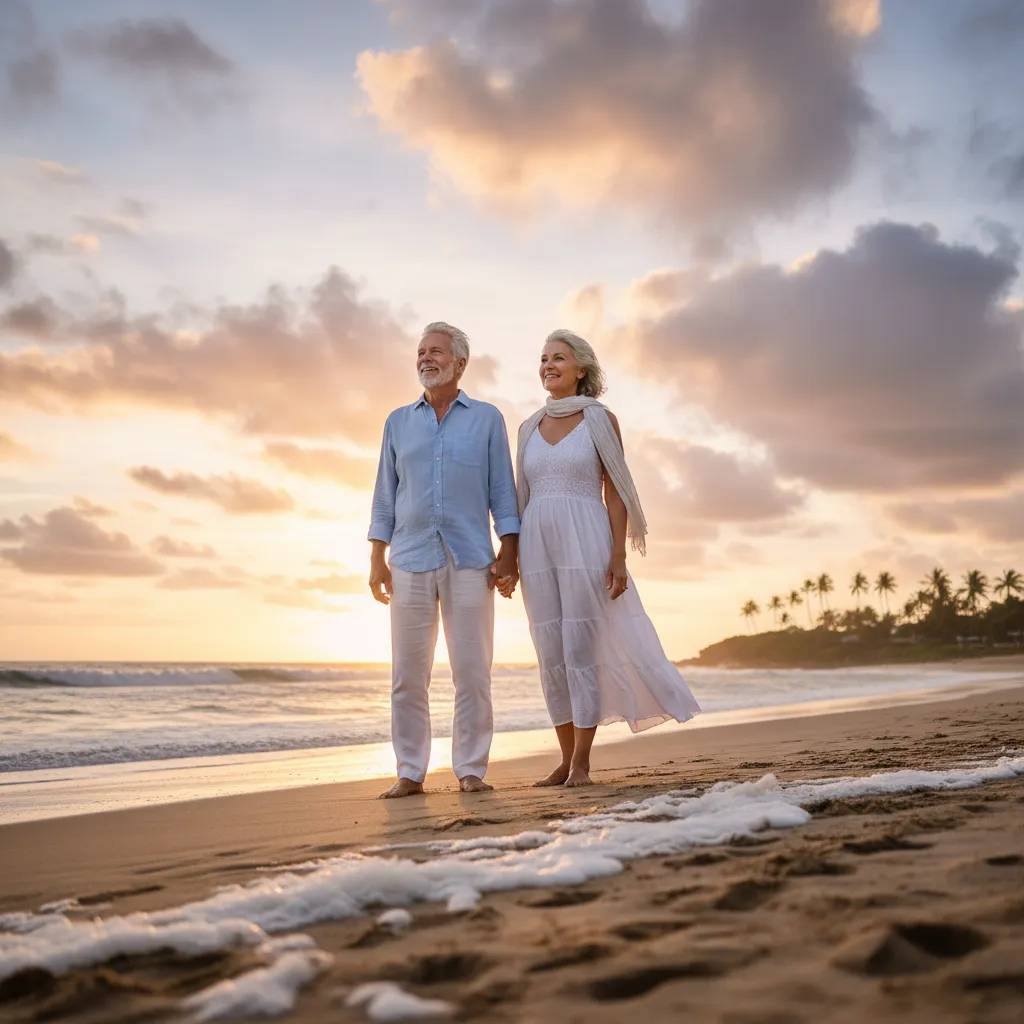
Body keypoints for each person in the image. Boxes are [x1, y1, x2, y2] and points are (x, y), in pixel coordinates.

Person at [516, 329, 701, 787]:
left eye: (558, 358)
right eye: (543, 359)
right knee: (550, 651)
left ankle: (581, 762)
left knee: (580, 647)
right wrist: (509, 557)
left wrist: (619, 555)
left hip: (587, 539)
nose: (548, 365)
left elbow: (614, 490)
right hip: (538, 544)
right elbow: (521, 496)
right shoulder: (526, 427)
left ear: (582, 368)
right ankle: (563, 759)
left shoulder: (600, 419)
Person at [368, 322, 520, 799]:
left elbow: (502, 490)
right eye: (420, 352)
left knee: (472, 671)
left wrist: (509, 549)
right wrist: (377, 555)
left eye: (435, 352)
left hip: (472, 559)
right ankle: (411, 771)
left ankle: (470, 768)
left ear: (459, 363)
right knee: (407, 677)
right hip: (409, 558)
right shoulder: (397, 422)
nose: (425, 359)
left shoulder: (488, 419)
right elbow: (384, 495)